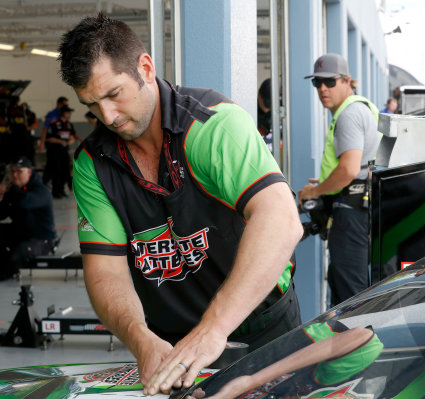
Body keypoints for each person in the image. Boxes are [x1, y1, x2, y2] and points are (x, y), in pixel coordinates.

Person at [58, 13, 303, 396]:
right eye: (91, 104)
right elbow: (105, 271)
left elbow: (281, 220)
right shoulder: (93, 163)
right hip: (168, 344)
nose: (107, 116)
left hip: (259, 326)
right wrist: (140, 339)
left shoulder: (211, 126)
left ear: (145, 68)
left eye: (113, 94)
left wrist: (213, 330)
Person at [298, 53, 381, 307]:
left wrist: (314, 192)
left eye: (329, 82)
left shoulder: (349, 115)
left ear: (346, 81)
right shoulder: (361, 107)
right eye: (317, 83)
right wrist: (326, 182)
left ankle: (355, 345)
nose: (323, 89)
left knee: (350, 298)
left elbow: (347, 170)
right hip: (363, 208)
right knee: (348, 287)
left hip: (353, 213)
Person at [0, 156, 57, 280]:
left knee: (20, 253)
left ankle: (4, 274)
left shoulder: (42, 191)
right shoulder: (15, 190)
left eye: (19, 172)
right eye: (13, 171)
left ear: (29, 172)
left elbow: (25, 202)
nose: (15, 175)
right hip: (21, 235)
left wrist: (11, 189)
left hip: (41, 240)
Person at [45, 105, 77, 198]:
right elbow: (48, 138)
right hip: (54, 152)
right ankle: (56, 192)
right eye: (68, 112)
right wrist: (60, 141)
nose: (69, 114)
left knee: (65, 171)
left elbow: (72, 136)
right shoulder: (54, 124)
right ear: (63, 113)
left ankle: (62, 190)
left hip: (64, 152)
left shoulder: (69, 124)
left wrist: (70, 141)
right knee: (56, 172)